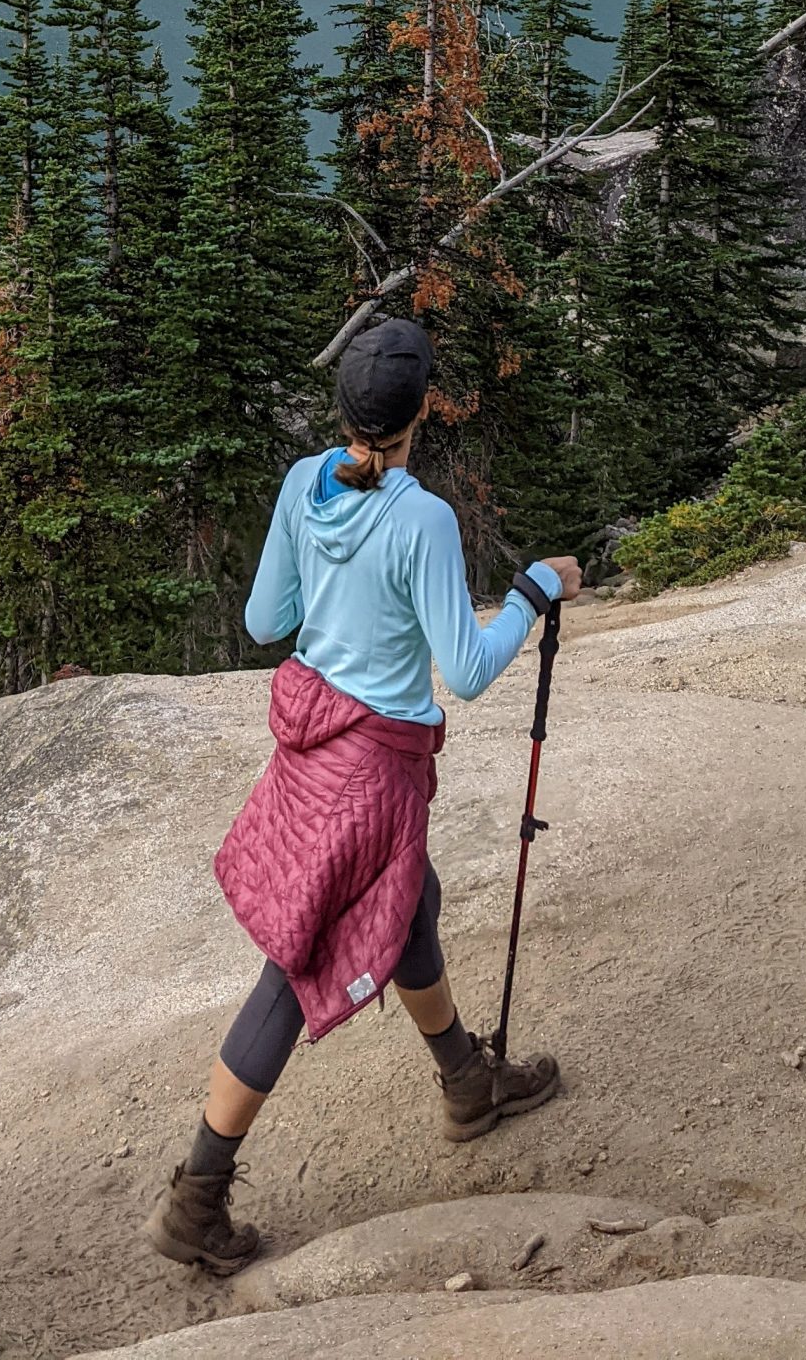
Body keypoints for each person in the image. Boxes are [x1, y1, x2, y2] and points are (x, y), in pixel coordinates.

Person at [149, 316, 583, 1275]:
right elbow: (463, 672)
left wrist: (331, 595)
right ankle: (197, 1204)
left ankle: (469, 1084)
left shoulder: (305, 481)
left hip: (311, 749)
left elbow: (268, 618)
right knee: (296, 967)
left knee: (410, 907)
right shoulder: (421, 518)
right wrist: (533, 592)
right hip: (372, 777)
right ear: (424, 408)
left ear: (344, 408)